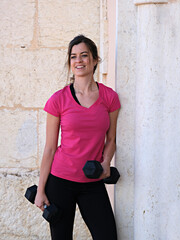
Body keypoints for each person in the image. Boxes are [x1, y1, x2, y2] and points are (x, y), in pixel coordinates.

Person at [35, 35, 120, 240]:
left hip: (92, 181)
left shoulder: (109, 97)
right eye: (73, 57)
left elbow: (111, 140)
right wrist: (40, 189)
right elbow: (50, 148)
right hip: (60, 180)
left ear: (95, 60)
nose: (78, 61)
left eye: (84, 55)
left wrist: (106, 162)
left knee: (107, 236)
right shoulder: (58, 99)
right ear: (69, 62)